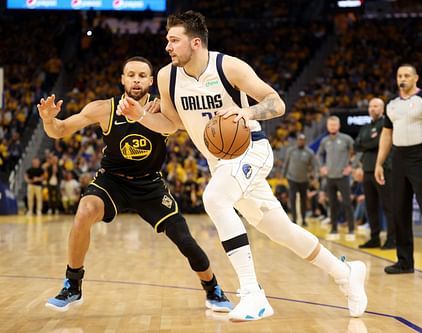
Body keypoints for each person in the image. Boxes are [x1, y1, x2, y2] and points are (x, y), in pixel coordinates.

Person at [117, 11, 367, 321]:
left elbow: (276, 103)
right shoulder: (168, 76)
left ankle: (253, 294)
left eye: (173, 40)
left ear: (195, 43)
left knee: (215, 199)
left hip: (252, 150)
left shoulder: (229, 67)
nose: (167, 46)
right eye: (167, 40)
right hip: (220, 164)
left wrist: (246, 115)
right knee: (281, 231)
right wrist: (140, 115)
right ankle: (346, 273)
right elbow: (172, 124)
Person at [37, 56, 233, 313]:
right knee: (84, 211)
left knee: (184, 238)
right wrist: (48, 120)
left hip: (150, 185)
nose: (136, 80)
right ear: (123, 79)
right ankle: (73, 286)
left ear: (151, 81)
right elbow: (60, 131)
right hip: (112, 181)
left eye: (142, 75)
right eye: (131, 75)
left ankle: (213, 289)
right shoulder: (104, 108)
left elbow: (186, 128)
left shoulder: (163, 109)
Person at [375, 64, 422, 278]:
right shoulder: (392, 103)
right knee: (399, 211)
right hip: (398, 159)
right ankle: (404, 261)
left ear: (416, 78)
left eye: (406, 75)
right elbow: (386, 135)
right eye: (399, 75)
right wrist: (379, 163)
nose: (402, 79)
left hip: (420, 157)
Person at [355, 98, 395, 249]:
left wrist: (367, 144)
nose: (372, 109)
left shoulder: (386, 125)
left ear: (382, 109)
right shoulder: (365, 126)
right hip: (367, 170)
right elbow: (356, 145)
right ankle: (374, 238)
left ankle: (392, 239)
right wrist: (369, 143)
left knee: (388, 206)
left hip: (384, 169)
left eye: (376, 106)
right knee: (370, 206)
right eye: (371, 106)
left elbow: (380, 143)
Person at [317, 116, 356, 241]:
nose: (332, 127)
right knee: (332, 204)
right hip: (330, 177)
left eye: (335, 125)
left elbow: (357, 152)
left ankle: (351, 230)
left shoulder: (346, 139)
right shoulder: (325, 141)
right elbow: (318, 155)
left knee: (347, 203)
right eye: (330, 125)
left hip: (343, 176)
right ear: (328, 126)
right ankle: (334, 229)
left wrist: (351, 167)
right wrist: (322, 167)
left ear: (338, 126)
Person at [283, 133, 318, 226]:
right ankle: (294, 219)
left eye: (302, 140)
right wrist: (283, 175)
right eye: (299, 140)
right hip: (292, 178)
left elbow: (314, 166)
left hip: (304, 179)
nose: (300, 141)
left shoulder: (309, 152)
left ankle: (303, 219)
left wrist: (314, 176)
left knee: (303, 200)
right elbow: (286, 163)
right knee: (292, 198)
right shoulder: (291, 151)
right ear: (297, 141)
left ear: (305, 141)